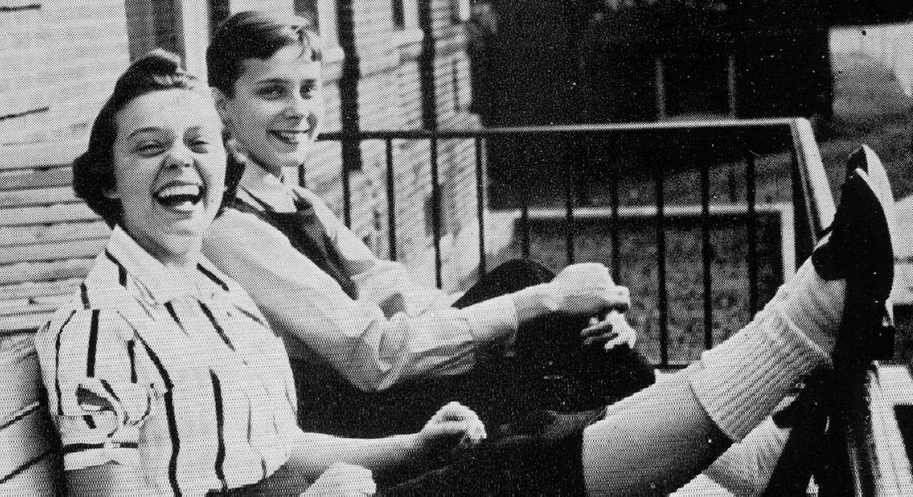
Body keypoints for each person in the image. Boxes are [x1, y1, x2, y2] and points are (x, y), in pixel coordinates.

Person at [35, 48, 897, 497]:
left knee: (515, 460)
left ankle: (791, 353)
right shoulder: (100, 321)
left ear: (222, 161)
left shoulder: (210, 291)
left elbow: (279, 445)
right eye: (148, 148)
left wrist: (408, 448)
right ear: (106, 181)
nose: (180, 161)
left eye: (196, 143)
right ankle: (799, 329)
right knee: (515, 484)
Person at [201, 12, 655, 437]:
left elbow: (397, 297)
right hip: (349, 419)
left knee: (535, 294)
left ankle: (653, 406)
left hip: (380, 390)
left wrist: (571, 310)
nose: (297, 109)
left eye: (307, 89)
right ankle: (672, 421)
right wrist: (548, 300)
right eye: (272, 92)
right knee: (543, 315)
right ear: (223, 108)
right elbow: (373, 357)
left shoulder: (297, 199)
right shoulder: (232, 228)